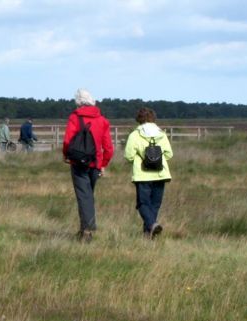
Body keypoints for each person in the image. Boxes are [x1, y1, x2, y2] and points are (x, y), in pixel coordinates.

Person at [62, 88, 114, 243]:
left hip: (78, 163)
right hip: (95, 164)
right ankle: (84, 228)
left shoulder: (74, 117)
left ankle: (87, 230)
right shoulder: (103, 120)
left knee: (84, 197)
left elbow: (67, 141)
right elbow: (109, 148)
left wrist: (66, 155)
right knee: (88, 196)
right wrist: (103, 164)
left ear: (78, 102)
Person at [123, 107, 173, 239]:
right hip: (161, 174)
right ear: (153, 118)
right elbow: (169, 154)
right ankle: (148, 234)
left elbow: (129, 156)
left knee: (143, 204)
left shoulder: (135, 135)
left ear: (139, 119)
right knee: (155, 204)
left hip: (142, 175)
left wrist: (141, 160)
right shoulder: (161, 134)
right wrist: (157, 160)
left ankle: (151, 225)